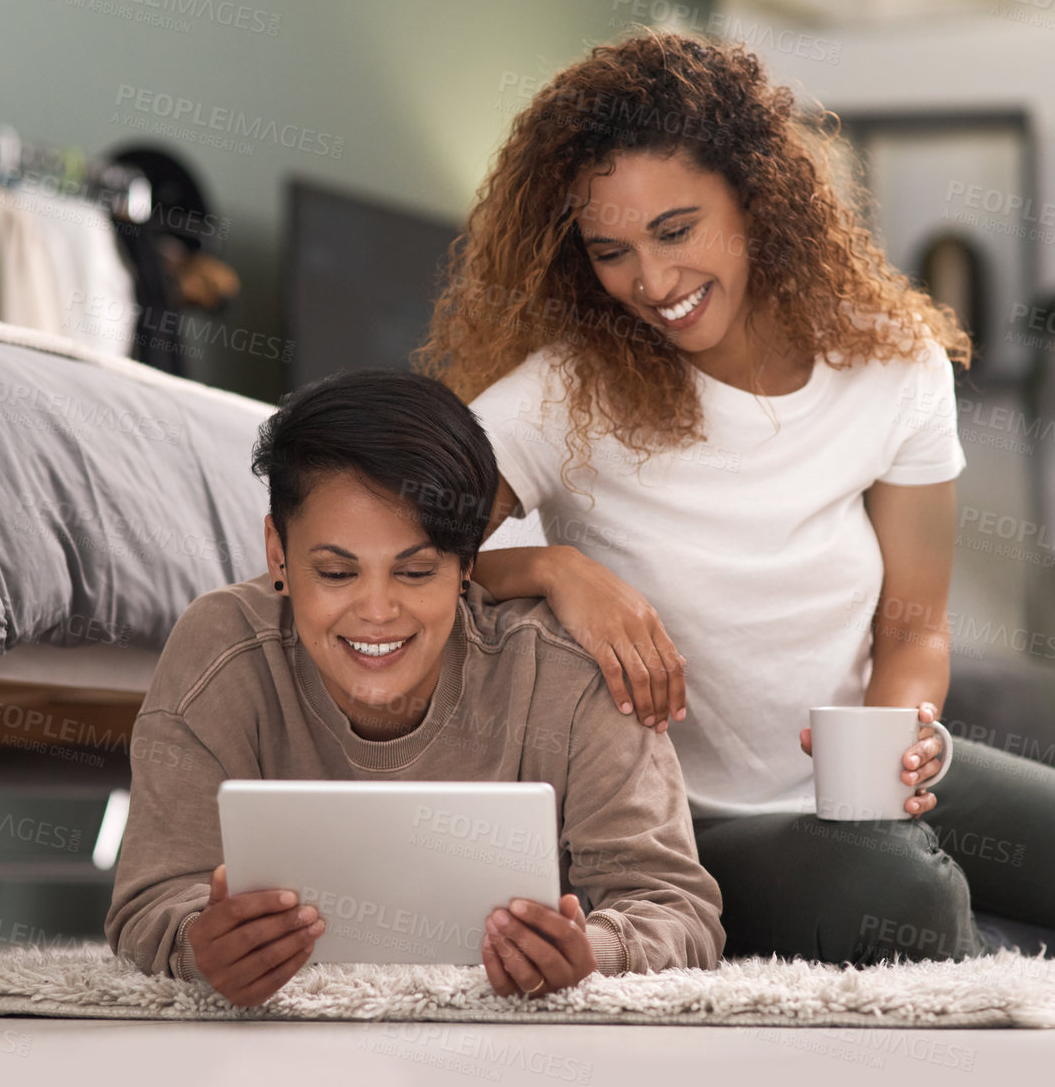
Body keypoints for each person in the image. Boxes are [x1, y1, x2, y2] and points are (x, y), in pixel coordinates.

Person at [416, 31, 1055, 965]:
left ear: (754, 197)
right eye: (611, 251)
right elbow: (397, 564)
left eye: (676, 230)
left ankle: (953, 910)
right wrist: (555, 568)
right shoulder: (562, 394)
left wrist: (896, 739)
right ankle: (950, 934)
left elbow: (914, 629)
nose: (652, 281)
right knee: (904, 898)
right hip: (696, 826)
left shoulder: (892, 361)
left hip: (875, 778)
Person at [105, 369, 724, 1006]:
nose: (376, 611)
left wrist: (592, 952)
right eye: (337, 572)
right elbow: (151, 900)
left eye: (417, 571)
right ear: (277, 554)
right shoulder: (222, 651)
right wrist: (198, 942)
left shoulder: (566, 674)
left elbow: (677, 906)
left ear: (466, 565)